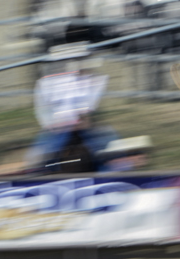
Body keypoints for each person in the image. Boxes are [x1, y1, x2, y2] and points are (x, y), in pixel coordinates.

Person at [26, 44, 119, 173]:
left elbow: (88, 110)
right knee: (39, 156)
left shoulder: (94, 80)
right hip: (57, 128)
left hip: (83, 126)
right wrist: (54, 124)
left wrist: (80, 118)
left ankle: (110, 173)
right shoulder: (45, 83)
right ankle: (41, 174)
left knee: (109, 146)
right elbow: (43, 111)